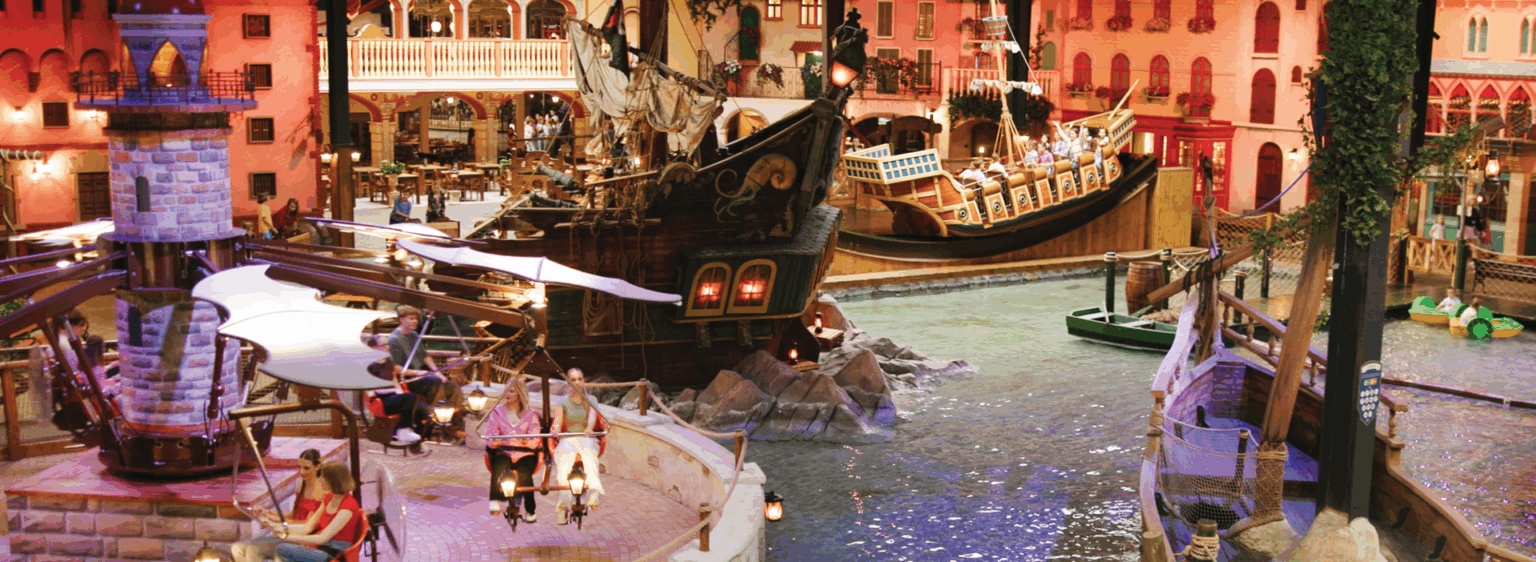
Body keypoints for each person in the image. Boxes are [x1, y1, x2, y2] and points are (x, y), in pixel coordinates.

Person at [248, 462, 364, 562]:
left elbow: (322, 538)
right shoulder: (328, 498)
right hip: (322, 546)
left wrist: (287, 536)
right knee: (278, 547)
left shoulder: (348, 506)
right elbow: (307, 528)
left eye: (323, 477)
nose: (319, 480)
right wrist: (276, 526)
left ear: (333, 480)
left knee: (282, 549)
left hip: (335, 552)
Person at [231, 449, 326, 562]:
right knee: (237, 548)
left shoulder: (322, 491)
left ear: (318, 466)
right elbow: (292, 515)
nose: (302, 472)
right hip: (289, 532)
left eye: (306, 468)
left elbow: (306, 525)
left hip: (302, 538)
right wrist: (267, 513)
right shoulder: (301, 485)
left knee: (253, 549)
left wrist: (273, 522)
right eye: (299, 467)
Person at [552, 368, 606, 525]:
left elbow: (592, 420)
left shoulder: (591, 399)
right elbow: (558, 420)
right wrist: (556, 429)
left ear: (584, 381)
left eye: (580, 379)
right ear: (568, 383)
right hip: (569, 437)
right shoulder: (562, 401)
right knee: (563, 469)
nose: (577, 382)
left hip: (586, 437)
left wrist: (588, 429)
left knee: (590, 459)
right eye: (573, 380)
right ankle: (562, 508)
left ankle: (594, 493)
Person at [388, 306, 464, 411]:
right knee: (436, 385)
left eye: (416, 319)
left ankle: (456, 416)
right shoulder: (394, 339)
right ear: (401, 320)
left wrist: (438, 372)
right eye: (411, 318)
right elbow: (394, 368)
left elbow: (425, 356)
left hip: (421, 374)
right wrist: (418, 372)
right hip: (407, 378)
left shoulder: (414, 335)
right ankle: (433, 415)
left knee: (453, 387)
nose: (415, 321)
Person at [486, 381, 541, 521]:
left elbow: (535, 439)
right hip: (505, 451)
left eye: (511, 391)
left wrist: (524, 442)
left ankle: (530, 510)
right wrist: (494, 442)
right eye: (506, 391)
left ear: (519, 394)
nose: (507, 394)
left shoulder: (531, 414)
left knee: (524, 474)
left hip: (525, 453)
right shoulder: (497, 412)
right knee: (500, 465)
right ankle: (494, 499)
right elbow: (490, 435)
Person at [365, 357, 428, 444]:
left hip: (393, 396)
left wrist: (399, 391)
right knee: (410, 397)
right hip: (381, 400)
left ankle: (414, 438)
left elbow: (395, 376)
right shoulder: (369, 365)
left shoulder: (388, 362)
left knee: (424, 409)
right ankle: (402, 429)